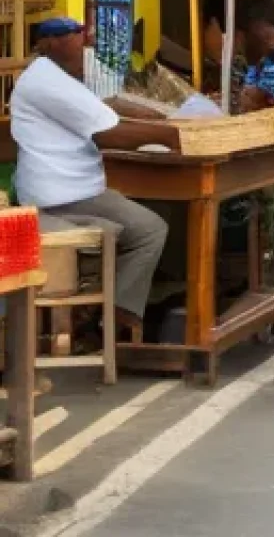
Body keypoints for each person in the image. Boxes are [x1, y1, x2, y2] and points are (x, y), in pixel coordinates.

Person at [11, 18, 181, 335]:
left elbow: (112, 104)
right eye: (72, 38)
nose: (82, 43)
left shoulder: (73, 73)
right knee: (134, 231)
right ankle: (105, 318)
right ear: (47, 45)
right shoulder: (44, 81)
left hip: (82, 190)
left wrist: (167, 118)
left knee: (152, 226)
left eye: (81, 36)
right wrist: (169, 136)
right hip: (55, 196)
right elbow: (108, 133)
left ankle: (115, 314)